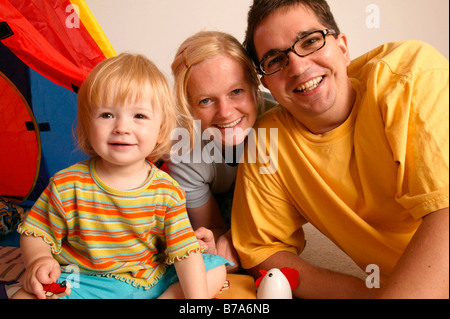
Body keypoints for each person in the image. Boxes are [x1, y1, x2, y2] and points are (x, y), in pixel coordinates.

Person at [232, 0, 449, 298]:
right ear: (265, 82)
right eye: (275, 60)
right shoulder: (268, 141)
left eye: (310, 41)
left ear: (343, 47)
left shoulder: (409, 75)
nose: (297, 65)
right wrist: (364, 293)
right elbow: (260, 252)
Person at [10, 53, 228, 299]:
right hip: (82, 282)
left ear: (161, 130)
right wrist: (39, 260)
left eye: (139, 116)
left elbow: (184, 252)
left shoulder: (167, 191)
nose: (122, 127)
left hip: (147, 283)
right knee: (23, 297)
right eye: (107, 115)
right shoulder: (67, 184)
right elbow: (36, 233)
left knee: (214, 267)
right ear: (87, 125)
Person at [167, 31, 274, 272]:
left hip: (266, 206)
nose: (225, 112)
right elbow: (211, 227)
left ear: (254, 85)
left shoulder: (278, 122)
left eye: (236, 91)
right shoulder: (182, 148)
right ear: (188, 105)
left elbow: (283, 215)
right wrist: (217, 243)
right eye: (206, 100)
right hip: (215, 203)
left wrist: (238, 237)